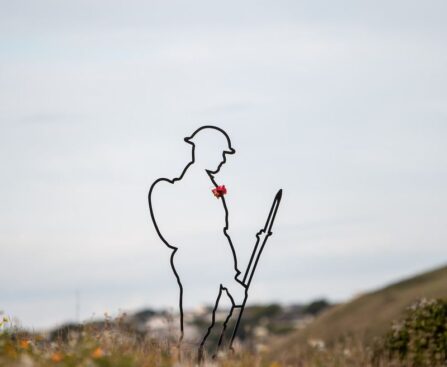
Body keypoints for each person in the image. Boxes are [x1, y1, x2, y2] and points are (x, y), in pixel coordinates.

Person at [148, 126, 247, 357]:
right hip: (199, 265)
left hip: (219, 265)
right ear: (205, 151)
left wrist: (231, 275)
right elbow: (207, 237)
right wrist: (227, 274)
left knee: (218, 322)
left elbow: (220, 235)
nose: (223, 160)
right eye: (221, 153)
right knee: (198, 333)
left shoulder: (209, 184)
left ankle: (211, 358)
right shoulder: (187, 186)